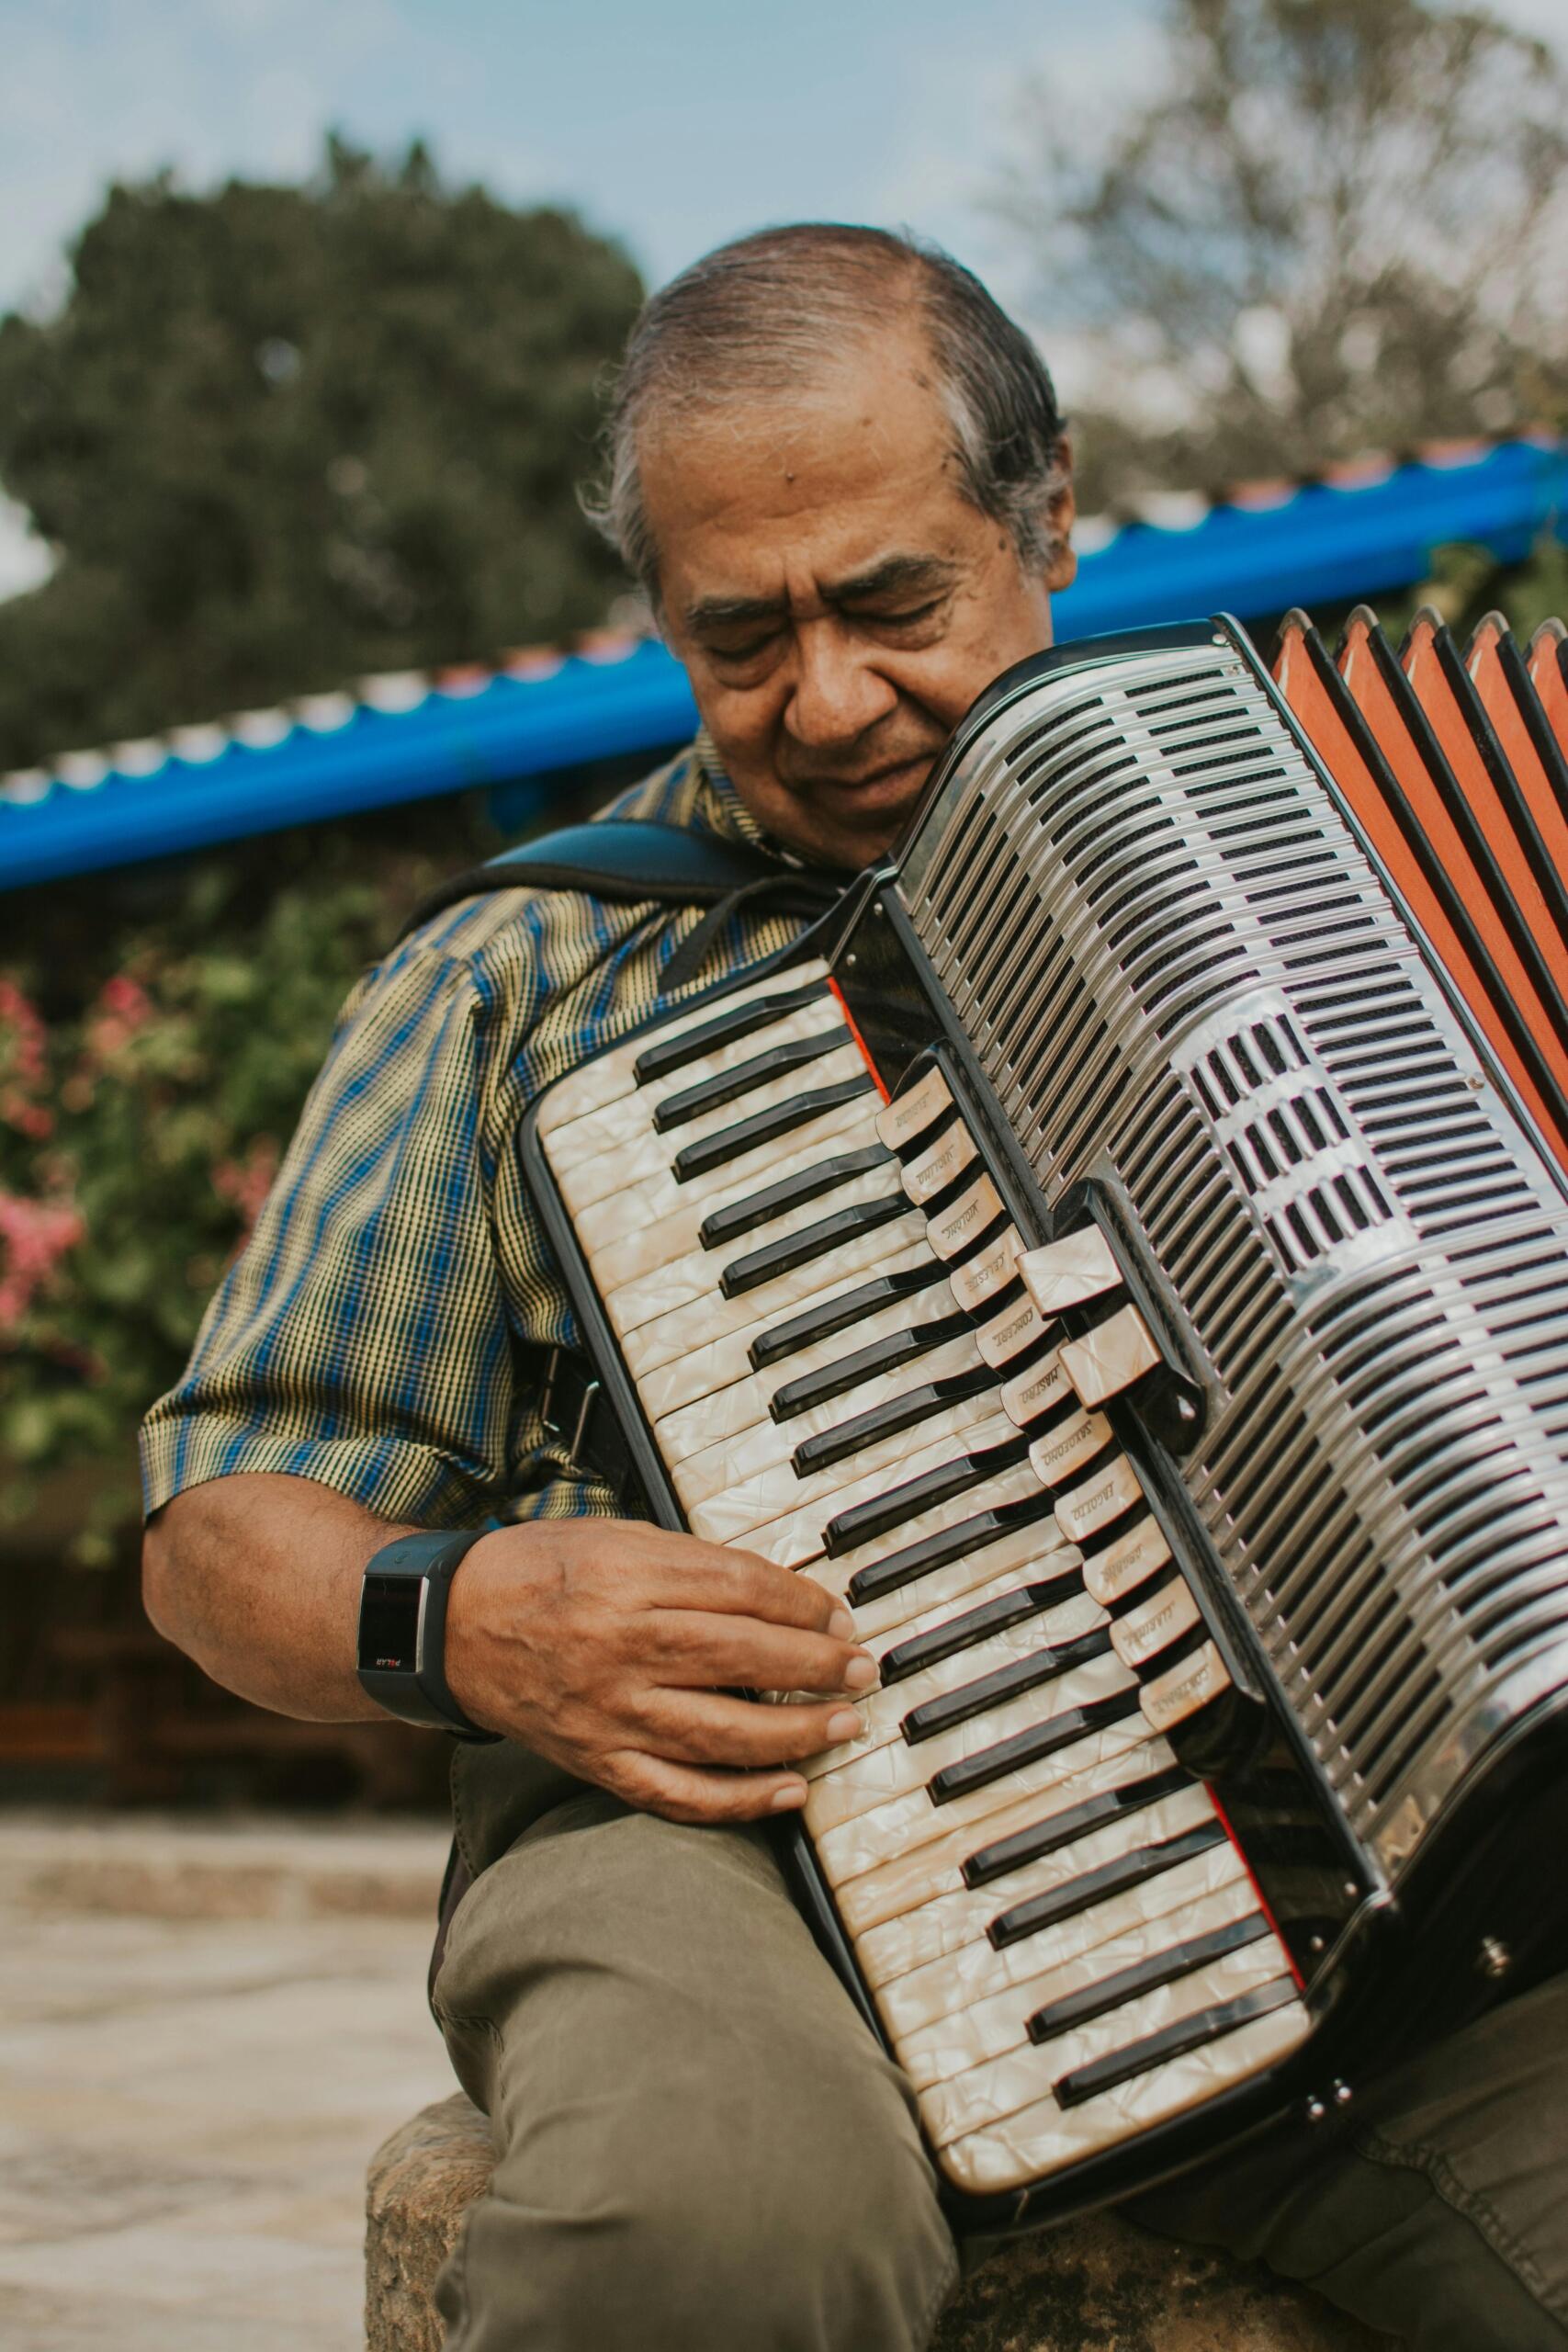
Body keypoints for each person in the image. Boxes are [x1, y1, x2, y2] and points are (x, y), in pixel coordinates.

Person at [140, 224, 1568, 2352]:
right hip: (723, 1808)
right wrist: (449, 1610)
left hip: (1397, 1863)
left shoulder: (1315, 878)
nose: (824, 699)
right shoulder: (517, 975)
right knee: (703, 2235)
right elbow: (218, 1512)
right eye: (740, 637)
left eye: (891, 601)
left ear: (1045, 511)